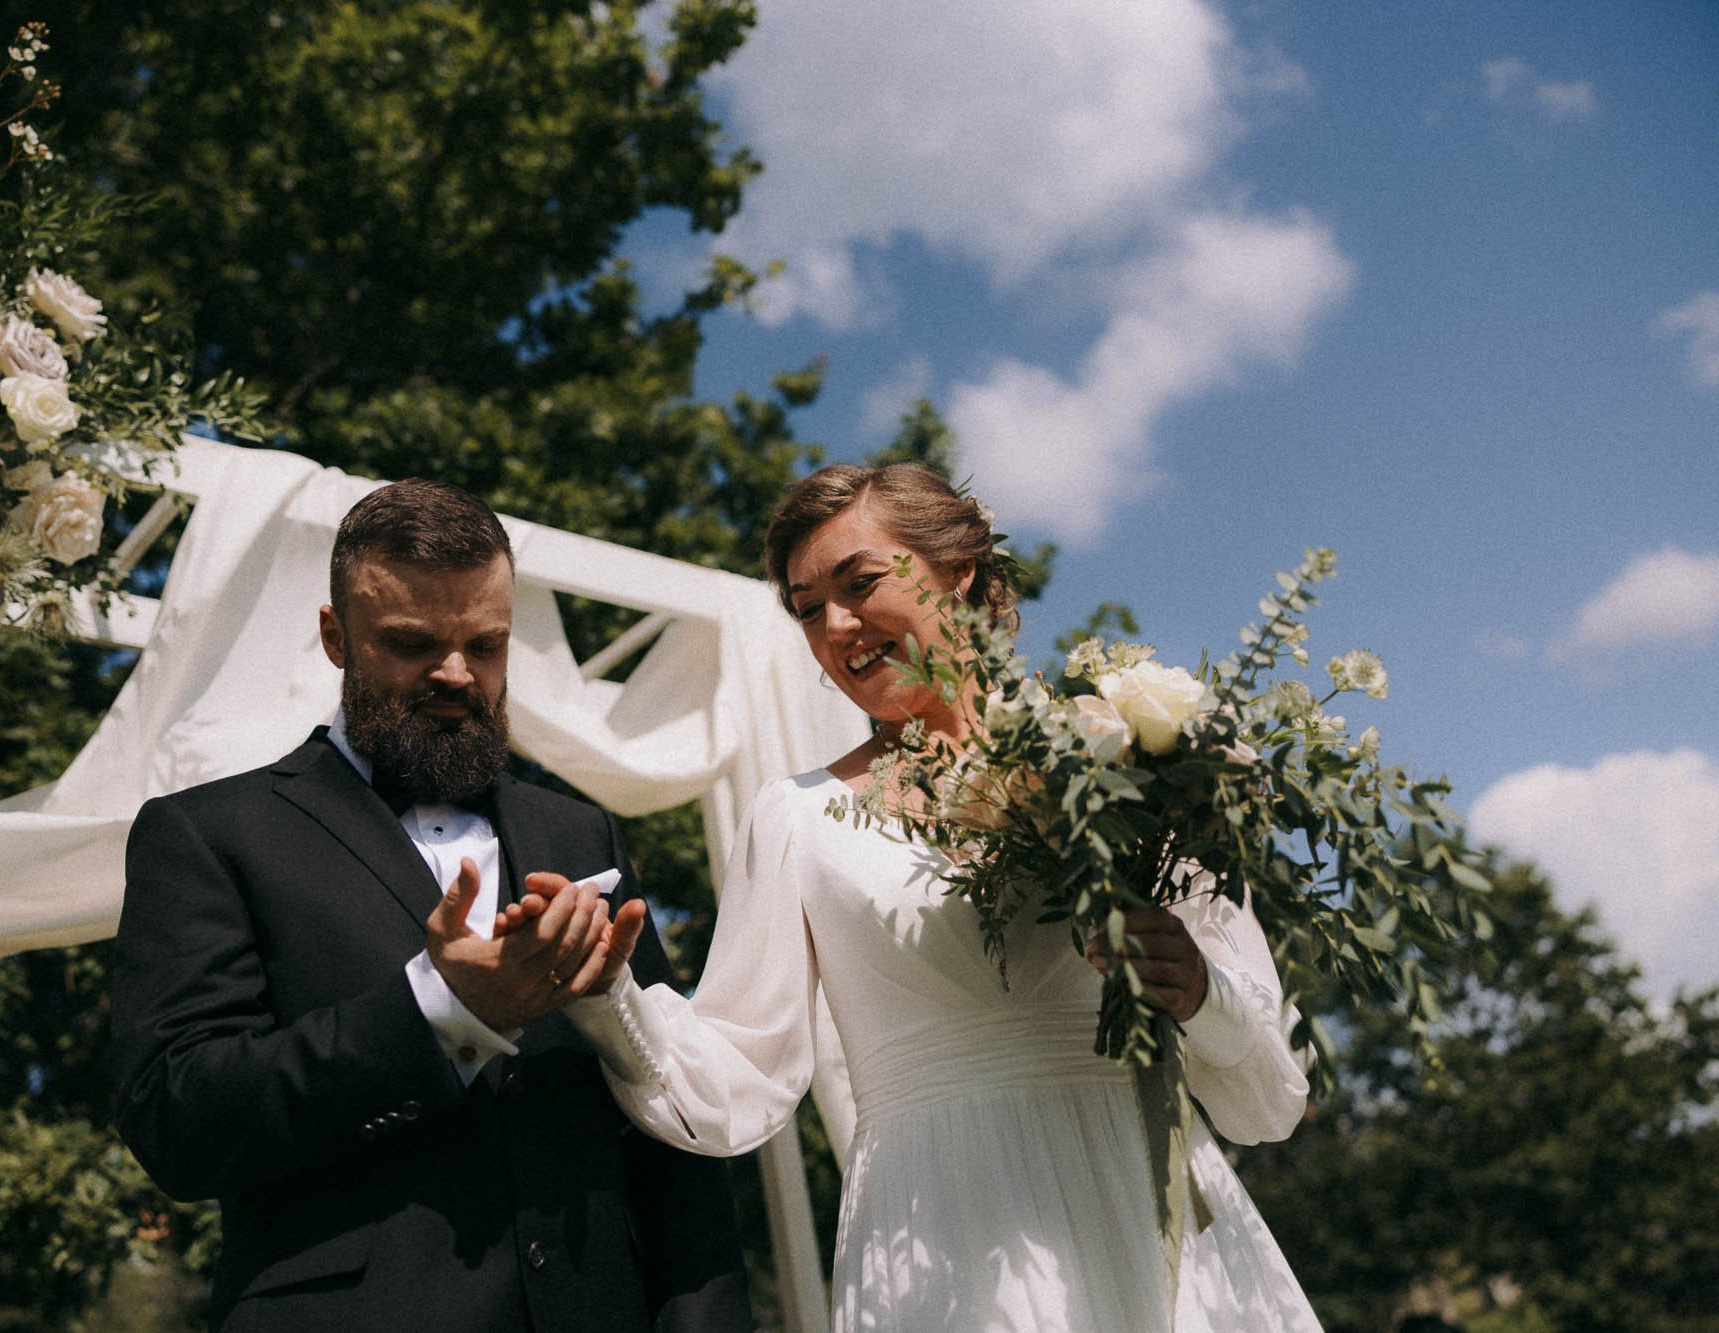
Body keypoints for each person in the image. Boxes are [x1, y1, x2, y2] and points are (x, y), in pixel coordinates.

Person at [532, 463, 1322, 1331]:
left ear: (962, 567)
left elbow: (1270, 1099)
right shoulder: (797, 817)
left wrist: (1201, 992)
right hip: (938, 1240)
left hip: (1151, 1211)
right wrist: (611, 998)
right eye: (804, 607)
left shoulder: (1132, 758)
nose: (835, 625)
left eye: (859, 582)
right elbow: (743, 1072)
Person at [110, 479, 752, 1333]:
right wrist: (440, 1012)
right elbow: (177, 1118)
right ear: (336, 637)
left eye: (485, 645)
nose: (456, 674)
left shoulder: (582, 833)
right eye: (412, 643)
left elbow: (672, 1133)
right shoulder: (208, 834)